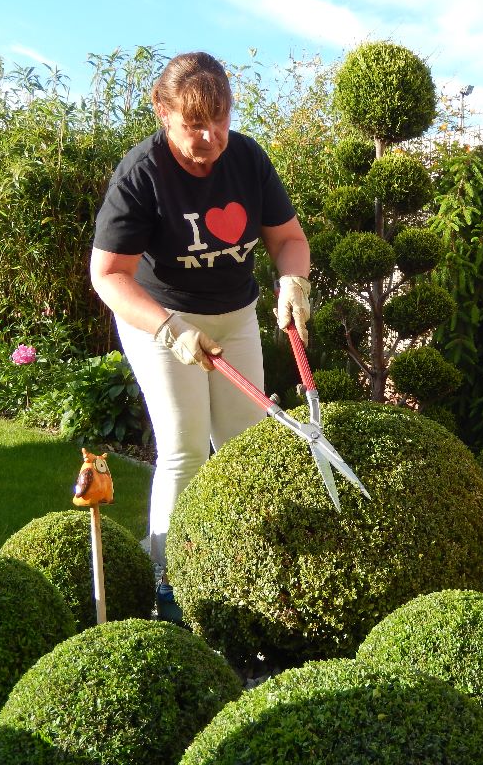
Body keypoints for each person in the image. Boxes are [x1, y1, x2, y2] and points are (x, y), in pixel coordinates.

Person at [90, 51, 311, 617]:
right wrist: (170, 330)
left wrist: (293, 281)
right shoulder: (141, 173)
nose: (210, 136)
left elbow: (288, 237)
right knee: (184, 450)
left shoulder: (248, 159)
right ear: (163, 112)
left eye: (221, 119)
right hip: (160, 319)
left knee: (244, 451)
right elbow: (109, 276)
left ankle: (241, 570)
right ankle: (169, 584)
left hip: (235, 316)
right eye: (194, 123)